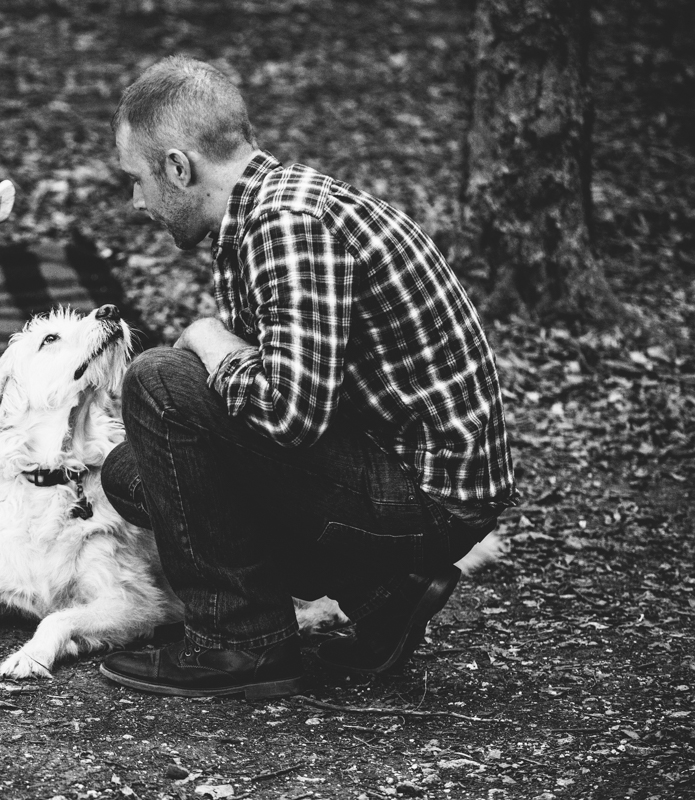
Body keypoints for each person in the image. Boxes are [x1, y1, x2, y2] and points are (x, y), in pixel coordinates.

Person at [98, 55, 518, 699]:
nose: (136, 201)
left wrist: (208, 339)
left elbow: (290, 415)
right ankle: (382, 593)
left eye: (138, 180)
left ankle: (241, 645)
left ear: (179, 168)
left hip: (431, 501)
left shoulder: (287, 225)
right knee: (136, 474)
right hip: (390, 470)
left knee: (159, 383)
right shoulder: (263, 213)